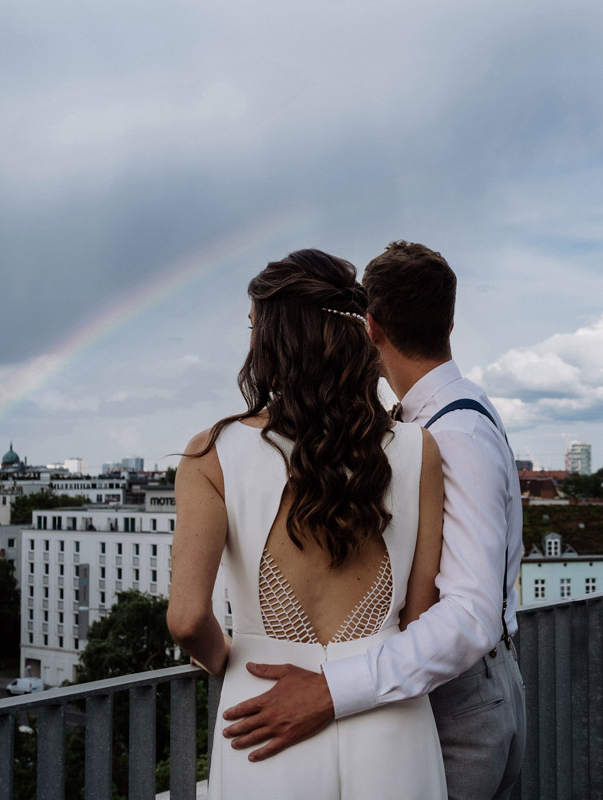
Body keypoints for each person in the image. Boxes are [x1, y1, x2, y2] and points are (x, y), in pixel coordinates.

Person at [221, 241, 526, 800]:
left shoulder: (453, 435)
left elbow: (469, 614)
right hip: (462, 685)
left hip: (455, 701)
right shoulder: (457, 412)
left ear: (371, 328)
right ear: (449, 322)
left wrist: (331, 689)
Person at [167, 249, 448, 799]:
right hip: (390, 719)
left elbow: (185, 619)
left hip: (262, 718)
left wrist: (230, 659)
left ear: (276, 340)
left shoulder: (211, 453)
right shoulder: (419, 448)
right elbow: (420, 619)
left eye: (254, 327)